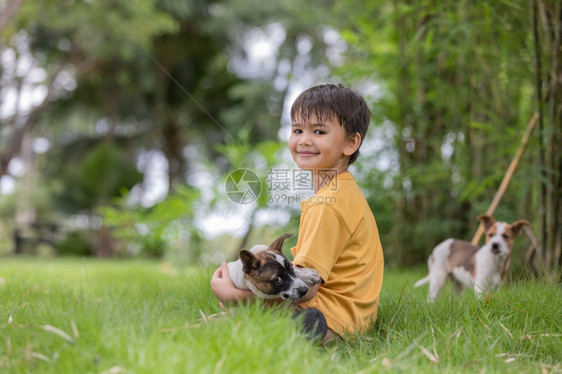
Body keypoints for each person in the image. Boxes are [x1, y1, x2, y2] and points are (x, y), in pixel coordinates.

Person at [211, 84, 384, 345]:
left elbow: (304, 289)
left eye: (319, 131)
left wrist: (233, 295)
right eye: (297, 130)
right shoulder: (345, 192)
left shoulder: (327, 204)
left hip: (330, 318)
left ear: (350, 143)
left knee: (237, 325)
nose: (304, 140)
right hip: (356, 317)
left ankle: (305, 332)